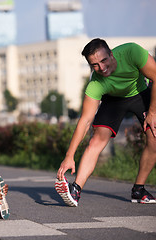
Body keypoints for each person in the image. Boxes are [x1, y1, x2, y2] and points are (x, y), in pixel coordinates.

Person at [55, 38, 156, 206]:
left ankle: (139, 190)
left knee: (154, 137)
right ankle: (75, 189)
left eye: (104, 60)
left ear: (111, 54)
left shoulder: (132, 52)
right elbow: (85, 121)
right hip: (113, 100)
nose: (101, 68)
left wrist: (152, 112)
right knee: (96, 140)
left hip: (140, 92)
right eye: (95, 65)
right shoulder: (95, 84)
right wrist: (69, 156)